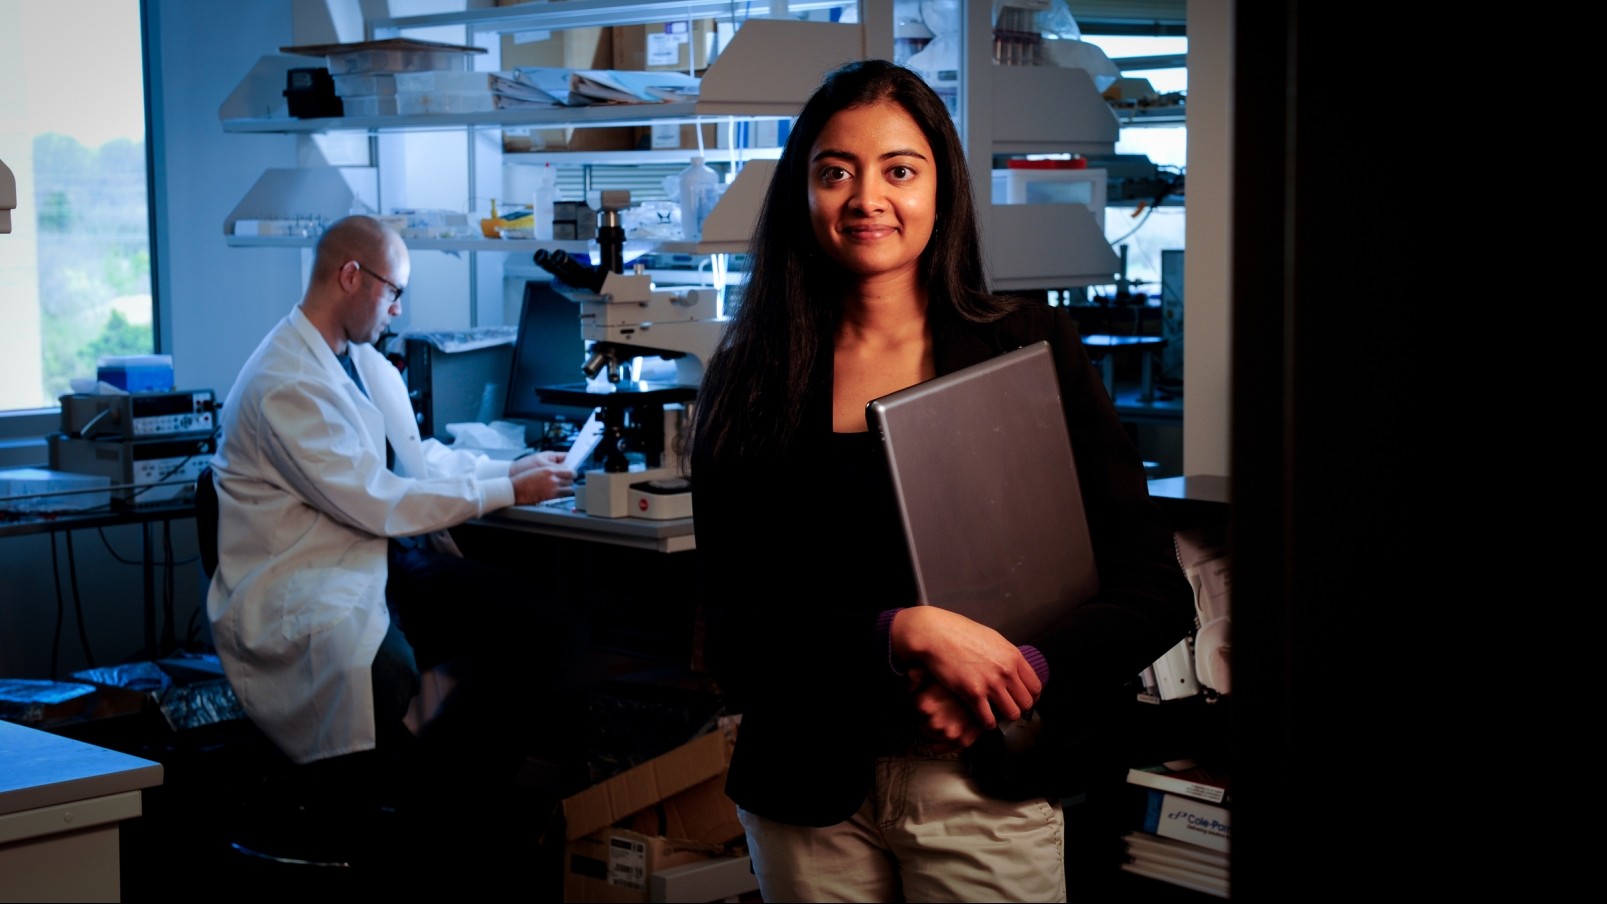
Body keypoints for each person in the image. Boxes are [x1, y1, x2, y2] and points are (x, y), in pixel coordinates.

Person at [686, 60, 1196, 903]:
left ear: (940, 188)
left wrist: (1011, 680)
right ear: (800, 193)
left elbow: (1151, 592)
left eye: (899, 170)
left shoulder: (1027, 350)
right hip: (806, 797)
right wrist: (899, 631)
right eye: (834, 171)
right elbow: (736, 639)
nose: (865, 198)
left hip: (984, 786)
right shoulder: (750, 380)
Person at [205, 215, 584, 822]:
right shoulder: (285, 383)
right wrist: (508, 491)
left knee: (547, 628)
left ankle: (441, 799)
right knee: (538, 635)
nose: (399, 312)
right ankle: (430, 809)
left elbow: (414, 457)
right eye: (395, 292)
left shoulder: (356, 359)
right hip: (313, 580)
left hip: (372, 558)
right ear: (351, 276)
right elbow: (378, 499)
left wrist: (511, 467)